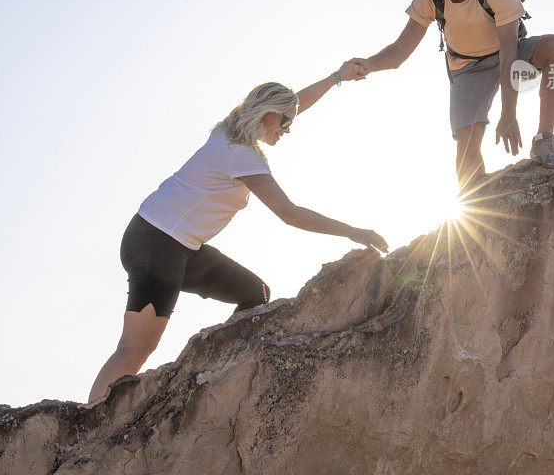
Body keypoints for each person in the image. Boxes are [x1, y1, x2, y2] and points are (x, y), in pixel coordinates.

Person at [88, 66, 388, 403]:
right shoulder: (241, 155)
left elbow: (294, 103)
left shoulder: (231, 129)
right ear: (266, 115)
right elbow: (289, 214)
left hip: (179, 245)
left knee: (254, 293)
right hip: (156, 244)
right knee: (134, 348)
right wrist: (352, 231)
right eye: (285, 122)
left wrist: (335, 79)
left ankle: (210, 374)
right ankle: (89, 427)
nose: (289, 129)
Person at [348, 0, 554, 196]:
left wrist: (508, 114)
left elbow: (510, 54)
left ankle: (544, 140)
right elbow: (399, 51)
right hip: (466, 69)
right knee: (466, 146)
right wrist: (369, 65)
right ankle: (477, 208)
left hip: (508, 54)